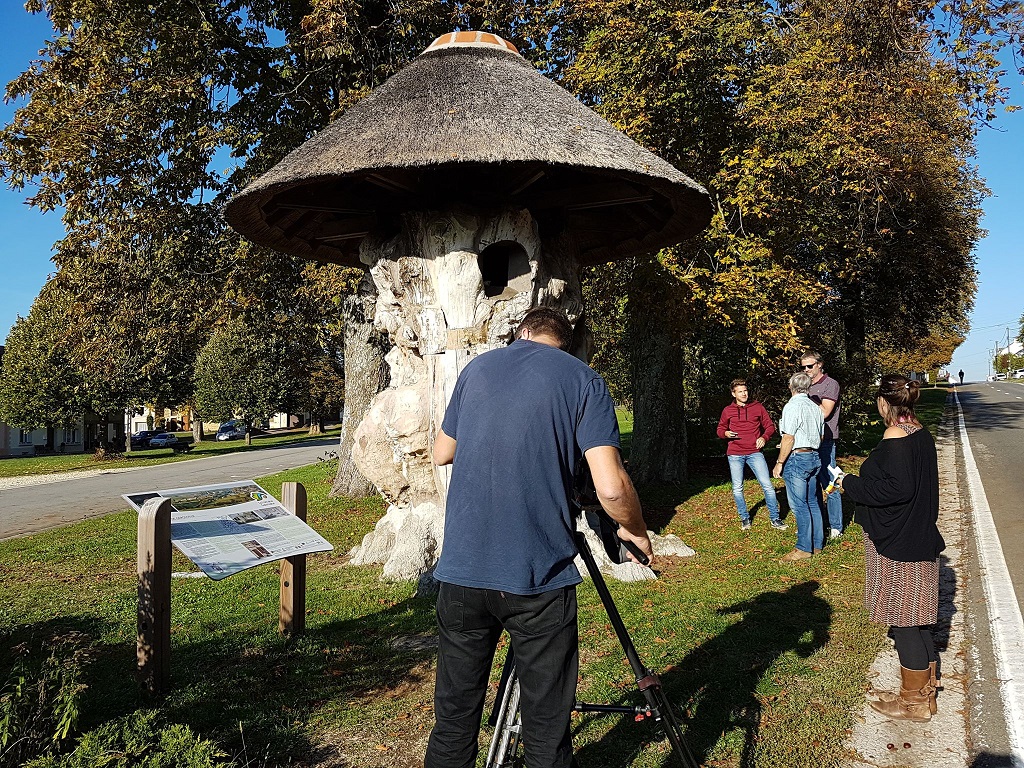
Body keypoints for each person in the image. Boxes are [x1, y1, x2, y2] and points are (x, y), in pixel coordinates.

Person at [425, 307, 653, 768]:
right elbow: (610, 486)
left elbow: (441, 451)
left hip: (462, 572)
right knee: (546, 731)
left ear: (522, 332)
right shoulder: (584, 380)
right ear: (564, 342)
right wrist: (635, 531)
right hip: (537, 575)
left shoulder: (477, 369)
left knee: (453, 720)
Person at [831, 375, 944, 722]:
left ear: (883, 402)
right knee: (918, 621)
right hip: (917, 534)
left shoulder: (895, 436)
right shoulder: (919, 432)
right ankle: (923, 695)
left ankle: (914, 705)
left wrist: (847, 482)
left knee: (905, 623)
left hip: (899, 543)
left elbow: (895, 490)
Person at [716, 379, 786, 531]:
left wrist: (764, 438)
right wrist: (725, 433)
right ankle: (745, 518)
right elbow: (720, 429)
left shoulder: (757, 407)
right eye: (740, 391)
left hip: (755, 453)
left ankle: (775, 518)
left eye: (745, 390)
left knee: (767, 485)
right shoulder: (728, 410)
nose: (744, 394)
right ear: (733, 394)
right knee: (737, 488)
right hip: (735, 454)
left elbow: (770, 426)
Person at [773, 371, 824, 562]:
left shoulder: (792, 406)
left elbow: (788, 437)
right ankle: (817, 543)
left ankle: (803, 547)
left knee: (800, 504)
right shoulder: (815, 407)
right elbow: (821, 437)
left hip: (797, 457)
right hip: (814, 456)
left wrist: (779, 462)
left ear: (791, 387)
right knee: (813, 502)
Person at [801, 351, 844, 539]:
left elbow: (825, 412)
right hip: (807, 442)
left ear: (820, 364)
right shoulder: (805, 386)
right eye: (803, 367)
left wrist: (803, 399)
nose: (806, 370)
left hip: (825, 441)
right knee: (813, 483)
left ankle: (836, 526)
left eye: (810, 366)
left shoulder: (830, 384)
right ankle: (819, 523)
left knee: (830, 483)